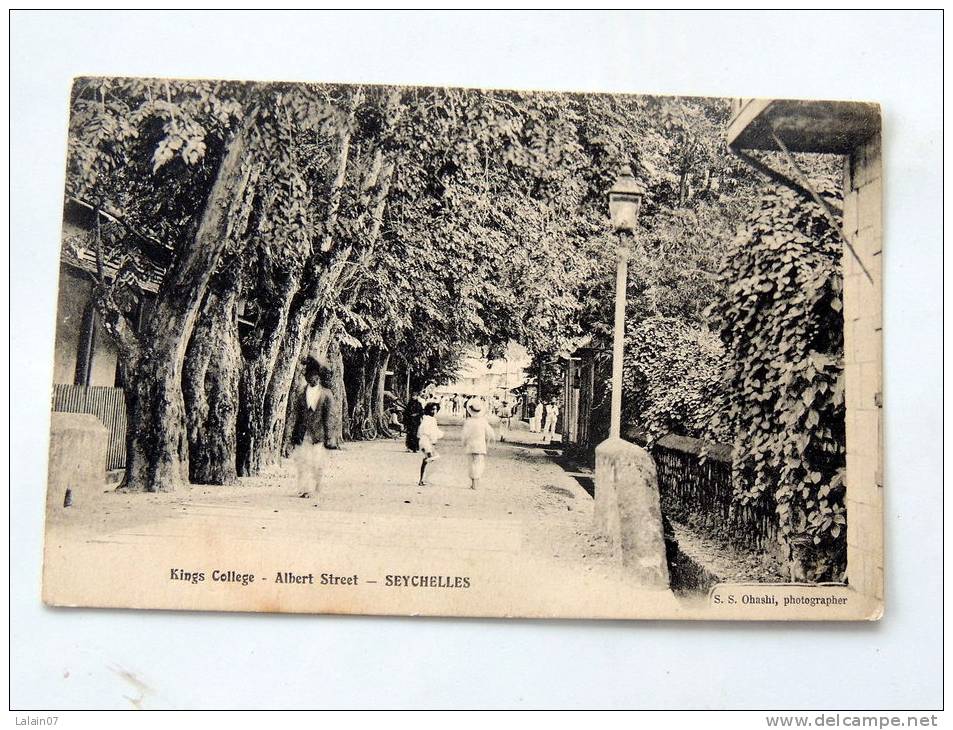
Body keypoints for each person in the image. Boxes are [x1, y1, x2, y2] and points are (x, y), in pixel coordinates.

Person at [288, 356, 338, 499]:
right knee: (302, 461)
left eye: (315, 376)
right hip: (303, 433)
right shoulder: (300, 394)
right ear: (306, 377)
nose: (312, 379)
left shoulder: (326, 395)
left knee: (317, 462)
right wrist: (293, 434)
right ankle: (304, 489)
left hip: (318, 433)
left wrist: (330, 436)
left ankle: (317, 486)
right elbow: (296, 415)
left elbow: (329, 417)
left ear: (319, 377)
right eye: (309, 376)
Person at [460, 399, 498, 490]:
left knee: (471, 463)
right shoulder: (483, 421)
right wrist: (490, 441)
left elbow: (464, 434)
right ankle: (477, 482)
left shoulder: (468, 421)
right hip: (480, 445)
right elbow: (490, 433)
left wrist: (463, 443)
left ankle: (473, 483)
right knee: (479, 463)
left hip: (471, 445)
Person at [417, 402, 443, 486]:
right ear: (429, 410)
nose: (434, 411)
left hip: (426, 440)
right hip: (426, 441)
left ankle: (422, 480)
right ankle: (425, 479)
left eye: (435, 409)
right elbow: (427, 431)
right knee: (432, 458)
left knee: (427, 460)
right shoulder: (429, 419)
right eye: (432, 409)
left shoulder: (428, 419)